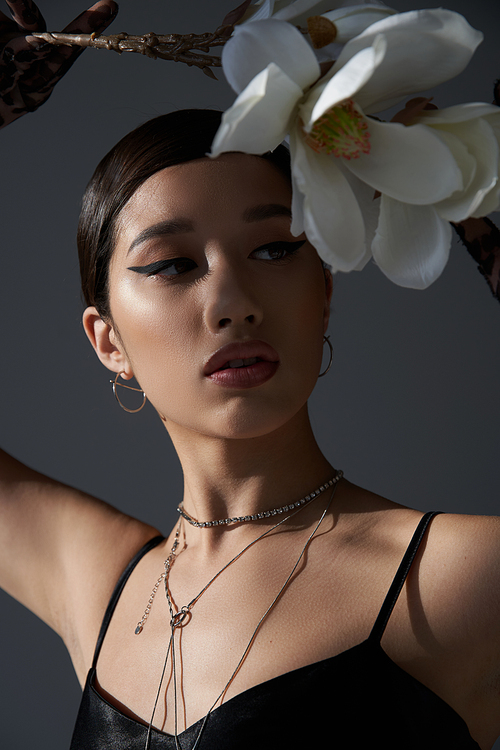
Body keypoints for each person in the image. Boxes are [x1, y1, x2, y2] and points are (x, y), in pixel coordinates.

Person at [1, 3, 499, 750]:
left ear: (324, 290)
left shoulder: (458, 578)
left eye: (272, 251)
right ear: (108, 342)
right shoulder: (99, 582)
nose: (233, 304)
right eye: (173, 265)